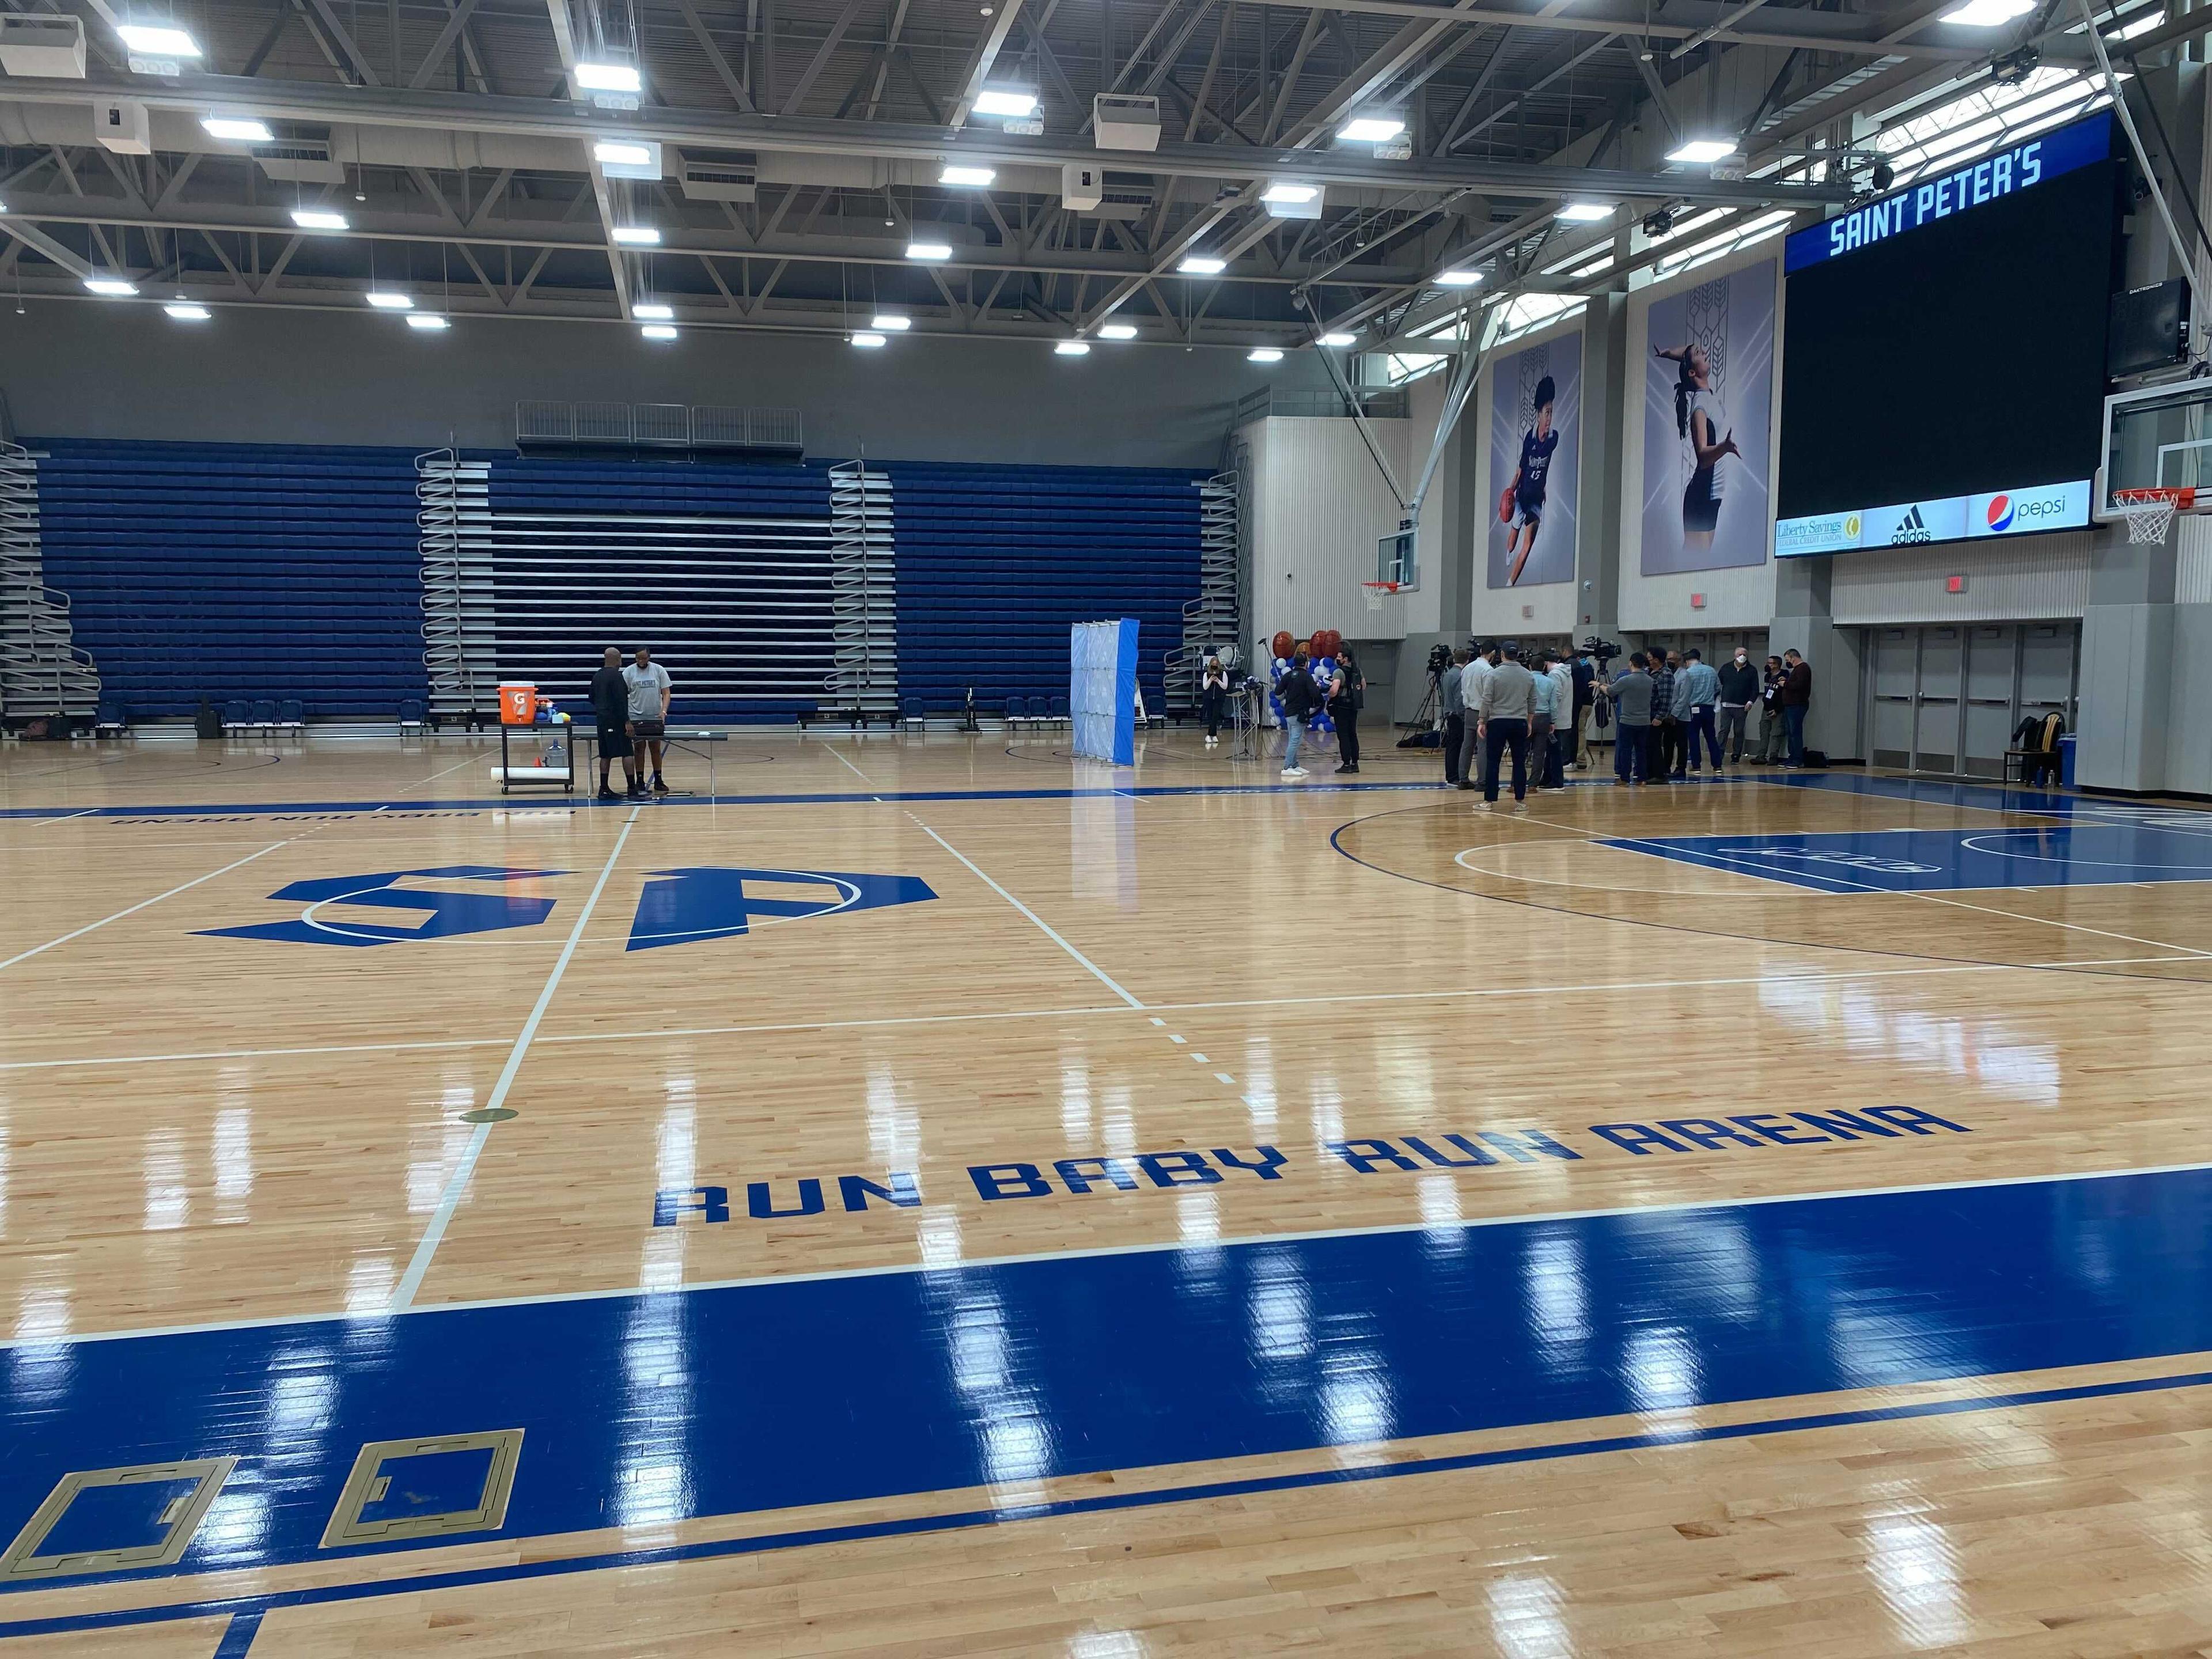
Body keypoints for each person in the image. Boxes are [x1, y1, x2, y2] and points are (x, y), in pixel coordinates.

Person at [1656, 341, 1741, 554]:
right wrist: (1725, 447)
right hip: (1701, 495)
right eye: (1698, 353)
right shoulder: (1699, 407)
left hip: (1713, 495)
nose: (1704, 352)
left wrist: (1669, 354)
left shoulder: (1708, 395)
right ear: (1693, 373)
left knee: (1702, 559)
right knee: (1695, 562)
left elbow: (1688, 358)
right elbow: (1702, 455)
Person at [1502, 377, 1560, 586]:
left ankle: (1510, 584)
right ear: (1538, 414)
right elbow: (1521, 471)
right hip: (1522, 497)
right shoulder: (1529, 440)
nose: (1550, 417)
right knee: (1512, 543)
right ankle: (1509, 552)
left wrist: (1543, 487)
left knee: (1526, 548)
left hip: (1536, 500)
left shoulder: (1554, 439)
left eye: (1552, 412)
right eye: (1547, 412)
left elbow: (1545, 468)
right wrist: (1510, 491)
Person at [1476, 642, 1537, 809]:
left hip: (1498, 722)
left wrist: (1482, 721)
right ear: (1517, 655)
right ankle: (1520, 801)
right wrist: (1529, 721)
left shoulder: (1494, 674)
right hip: (1519, 722)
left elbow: (1487, 699)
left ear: (1502, 654)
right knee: (1519, 762)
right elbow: (1533, 700)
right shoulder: (1528, 675)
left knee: (1493, 761)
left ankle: (1489, 800)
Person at [623, 645, 673, 797]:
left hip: (655, 717)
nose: (641, 661)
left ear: (649, 657)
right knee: (639, 749)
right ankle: (639, 780)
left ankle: (658, 779)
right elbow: (622, 695)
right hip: (636, 716)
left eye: (643, 658)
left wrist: (664, 711)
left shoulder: (659, 670)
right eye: (638, 658)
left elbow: (666, 693)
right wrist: (626, 719)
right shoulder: (628, 672)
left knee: (655, 748)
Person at [589, 645, 635, 801]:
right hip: (616, 721)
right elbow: (621, 701)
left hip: (601, 721)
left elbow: (591, 698)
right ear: (617, 659)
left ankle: (604, 788)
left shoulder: (597, 676)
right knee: (627, 752)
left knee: (605, 755)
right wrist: (627, 721)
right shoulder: (617, 677)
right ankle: (632, 788)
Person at [1673, 647, 1722, 778]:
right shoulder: (1711, 670)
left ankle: (1696, 766)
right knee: (1711, 737)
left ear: (1687, 661)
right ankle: (1717, 765)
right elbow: (1718, 688)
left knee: (1693, 737)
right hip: (1709, 708)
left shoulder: (1688, 673)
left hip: (1693, 708)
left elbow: (1684, 692)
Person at [1276, 645, 1320, 779]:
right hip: (1299, 713)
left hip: (1289, 712)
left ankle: (1294, 765)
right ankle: (1286, 767)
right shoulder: (1306, 677)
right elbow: (1315, 694)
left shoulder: (1288, 675)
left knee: (1293, 739)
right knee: (1295, 741)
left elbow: (1278, 692)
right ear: (1306, 664)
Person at [1611, 653, 1654, 785]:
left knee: (1626, 750)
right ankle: (1642, 778)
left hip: (1627, 721)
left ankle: (1624, 778)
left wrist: (1599, 685)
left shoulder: (1626, 680)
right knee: (1641, 750)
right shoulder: (1650, 680)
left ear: (1631, 663)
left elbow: (1611, 691)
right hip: (1644, 722)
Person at [1461, 641, 1499, 792]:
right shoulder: (1489, 671)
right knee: (1483, 746)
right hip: (1482, 712)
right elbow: (1489, 695)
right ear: (1493, 654)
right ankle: (1482, 781)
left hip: (1468, 710)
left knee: (1467, 745)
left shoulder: (1467, 668)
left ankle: (1463, 779)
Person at [1717, 645, 1759, 766]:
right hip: (1726, 704)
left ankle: (1736, 755)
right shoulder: (1726, 668)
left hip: (1742, 706)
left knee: (1739, 731)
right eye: (1740, 655)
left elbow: (1755, 688)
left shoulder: (1752, 670)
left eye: (1744, 655)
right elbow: (1718, 683)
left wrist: (1751, 701)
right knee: (1724, 730)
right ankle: (1719, 753)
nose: (1742, 657)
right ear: (1735, 656)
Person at [1327, 646, 1365, 774]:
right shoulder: (1358, 671)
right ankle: (1355, 763)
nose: (1337, 659)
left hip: (1342, 707)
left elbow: (1334, 691)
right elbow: (1363, 686)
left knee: (1343, 736)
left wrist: (1330, 693)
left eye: (1339, 657)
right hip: (1353, 707)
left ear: (1345, 659)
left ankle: (1346, 763)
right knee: (1353, 734)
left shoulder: (1339, 672)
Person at [1528, 649, 1557, 793]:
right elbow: (1554, 705)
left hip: (1528, 717)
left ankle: (1515, 784)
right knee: (1539, 754)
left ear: (1530, 666)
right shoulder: (1550, 682)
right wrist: (1553, 721)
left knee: (1520, 751)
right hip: (1544, 718)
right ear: (1544, 666)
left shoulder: (1526, 680)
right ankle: (1533, 784)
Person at [1646, 650, 1677, 785]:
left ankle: (1659, 774)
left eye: (1649, 658)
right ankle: (1649, 773)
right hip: (1646, 714)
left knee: (1655, 745)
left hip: (1656, 715)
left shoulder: (1665, 674)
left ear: (1656, 660)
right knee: (1648, 745)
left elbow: (1666, 699)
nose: (1647, 660)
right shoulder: (1648, 672)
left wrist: (1660, 717)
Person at [1439, 647, 1468, 787]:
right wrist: (1463, 714)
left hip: (1449, 712)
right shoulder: (1460, 675)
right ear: (1467, 660)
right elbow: (1459, 698)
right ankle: (1454, 776)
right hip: (1457, 715)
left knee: (1452, 745)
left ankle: (1451, 775)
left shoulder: (1448, 674)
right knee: (1457, 746)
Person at [1780, 648, 1813, 767]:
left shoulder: (1803, 668)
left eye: (1788, 660)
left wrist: (1785, 684)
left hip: (1797, 705)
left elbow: (1799, 685)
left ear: (1793, 658)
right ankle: (1792, 757)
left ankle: (1797, 759)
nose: (1787, 662)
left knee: (1795, 733)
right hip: (1791, 705)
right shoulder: (1797, 670)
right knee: (1791, 733)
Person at [1547, 649, 1574, 787]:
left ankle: (1556, 781)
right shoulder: (1566, 673)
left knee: (1554, 751)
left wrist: (1550, 718)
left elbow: (1556, 696)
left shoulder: (1554, 674)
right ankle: (1547, 778)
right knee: (1553, 751)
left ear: (1546, 663)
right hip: (1565, 717)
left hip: (1557, 719)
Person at [1756, 655, 1787, 764]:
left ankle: (1773, 756)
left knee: (1776, 733)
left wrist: (1777, 709)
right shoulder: (1767, 676)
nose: (1768, 665)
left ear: (1777, 665)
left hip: (1778, 709)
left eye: (1770, 663)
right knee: (1764, 732)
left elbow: (1783, 696)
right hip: (1766, 708)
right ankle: (1761, 756)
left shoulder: (1783, 676)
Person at [1571, 647, 1596, 768]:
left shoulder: (1581, 669)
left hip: (1582, 704)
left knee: (1580, 732)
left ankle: (1580, 759)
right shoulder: (1590, 667)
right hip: (1589, 704)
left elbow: (1582, 688)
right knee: (1581, 731)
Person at [1200, 655, 1230, 748]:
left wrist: (1218, 681)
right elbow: (1205, 687)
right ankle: (1213, 735)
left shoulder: (1223, 674)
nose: (1215, 666)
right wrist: (1210, 680)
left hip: (1219, 698)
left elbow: (1225, 687)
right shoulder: (1206, 674)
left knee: (1215, 716)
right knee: (1210, 716)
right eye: (1213, 664)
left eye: (1216, 664)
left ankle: (1210, 735)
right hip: (1208, 698)